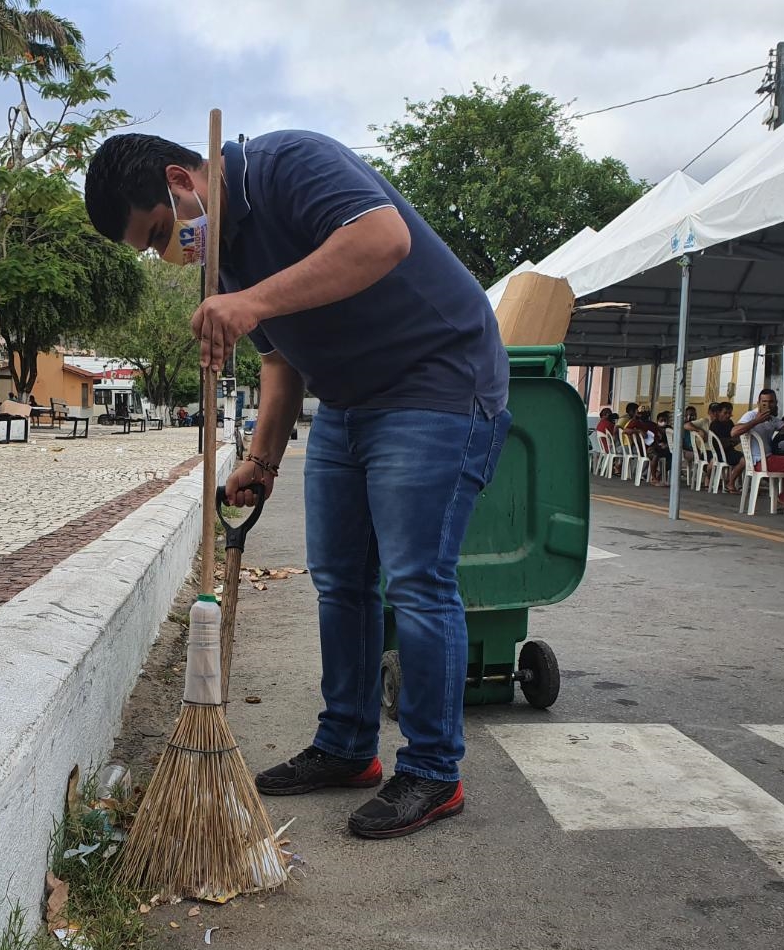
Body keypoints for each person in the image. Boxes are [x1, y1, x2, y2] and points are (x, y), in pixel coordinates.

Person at [85, 130, 511, 839]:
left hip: (438, 382)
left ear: (178, 180)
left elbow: (383, 239)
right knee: (340, 579)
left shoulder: (291, 165)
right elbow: (280, 366)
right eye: (150, 248)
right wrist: (261, 460)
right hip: (348, 402)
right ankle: (347, 747)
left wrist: (250, 301)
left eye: (161, 231)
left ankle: (435, 772)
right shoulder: (223, 265)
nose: (169, 252)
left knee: (415, 580)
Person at [733, 388, 784, 515]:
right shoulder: (751, 415)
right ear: (758, 403)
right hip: (760, 461)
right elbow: (734, 432)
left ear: (776, 403)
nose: (767, 405)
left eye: (771, 402)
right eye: (764, 402)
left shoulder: (772, 419)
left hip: (769, 459)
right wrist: (756, 421)